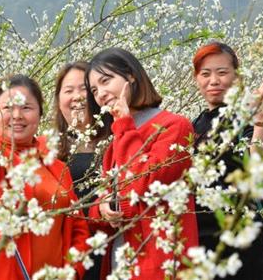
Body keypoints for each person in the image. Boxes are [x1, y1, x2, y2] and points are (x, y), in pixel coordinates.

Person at [0, 58, 90, 280]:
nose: (17, 116)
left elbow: (78, 227)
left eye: (26, 107)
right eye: (7, 108)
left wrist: (73, 270)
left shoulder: (56, 165)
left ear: (40, 114)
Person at [85, 48, 198, 279]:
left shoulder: (175, 127)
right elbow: (109, 205)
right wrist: (103, 209)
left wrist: (124, 124)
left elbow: (143, 184)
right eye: (94, 90)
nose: (101, 94)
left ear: (131, 76)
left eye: (106, 81)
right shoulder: (114, 140)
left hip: (162, 262)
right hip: (120, 262)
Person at [192, 41, 263, 279]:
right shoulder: (196, 124)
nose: (213, 80)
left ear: (237, 78)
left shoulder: (245, 119)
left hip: (240, 245)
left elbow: (257, 161)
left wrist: (261, 118)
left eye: (222, 72)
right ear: (196, 79)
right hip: (200, 243)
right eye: (205, 74)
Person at [53, 61, 103, 280]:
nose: (77, 97)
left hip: (110, 248)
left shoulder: (118, 141)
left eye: (84, 89)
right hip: (65, 257)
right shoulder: (47, 149)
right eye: (68, 91)